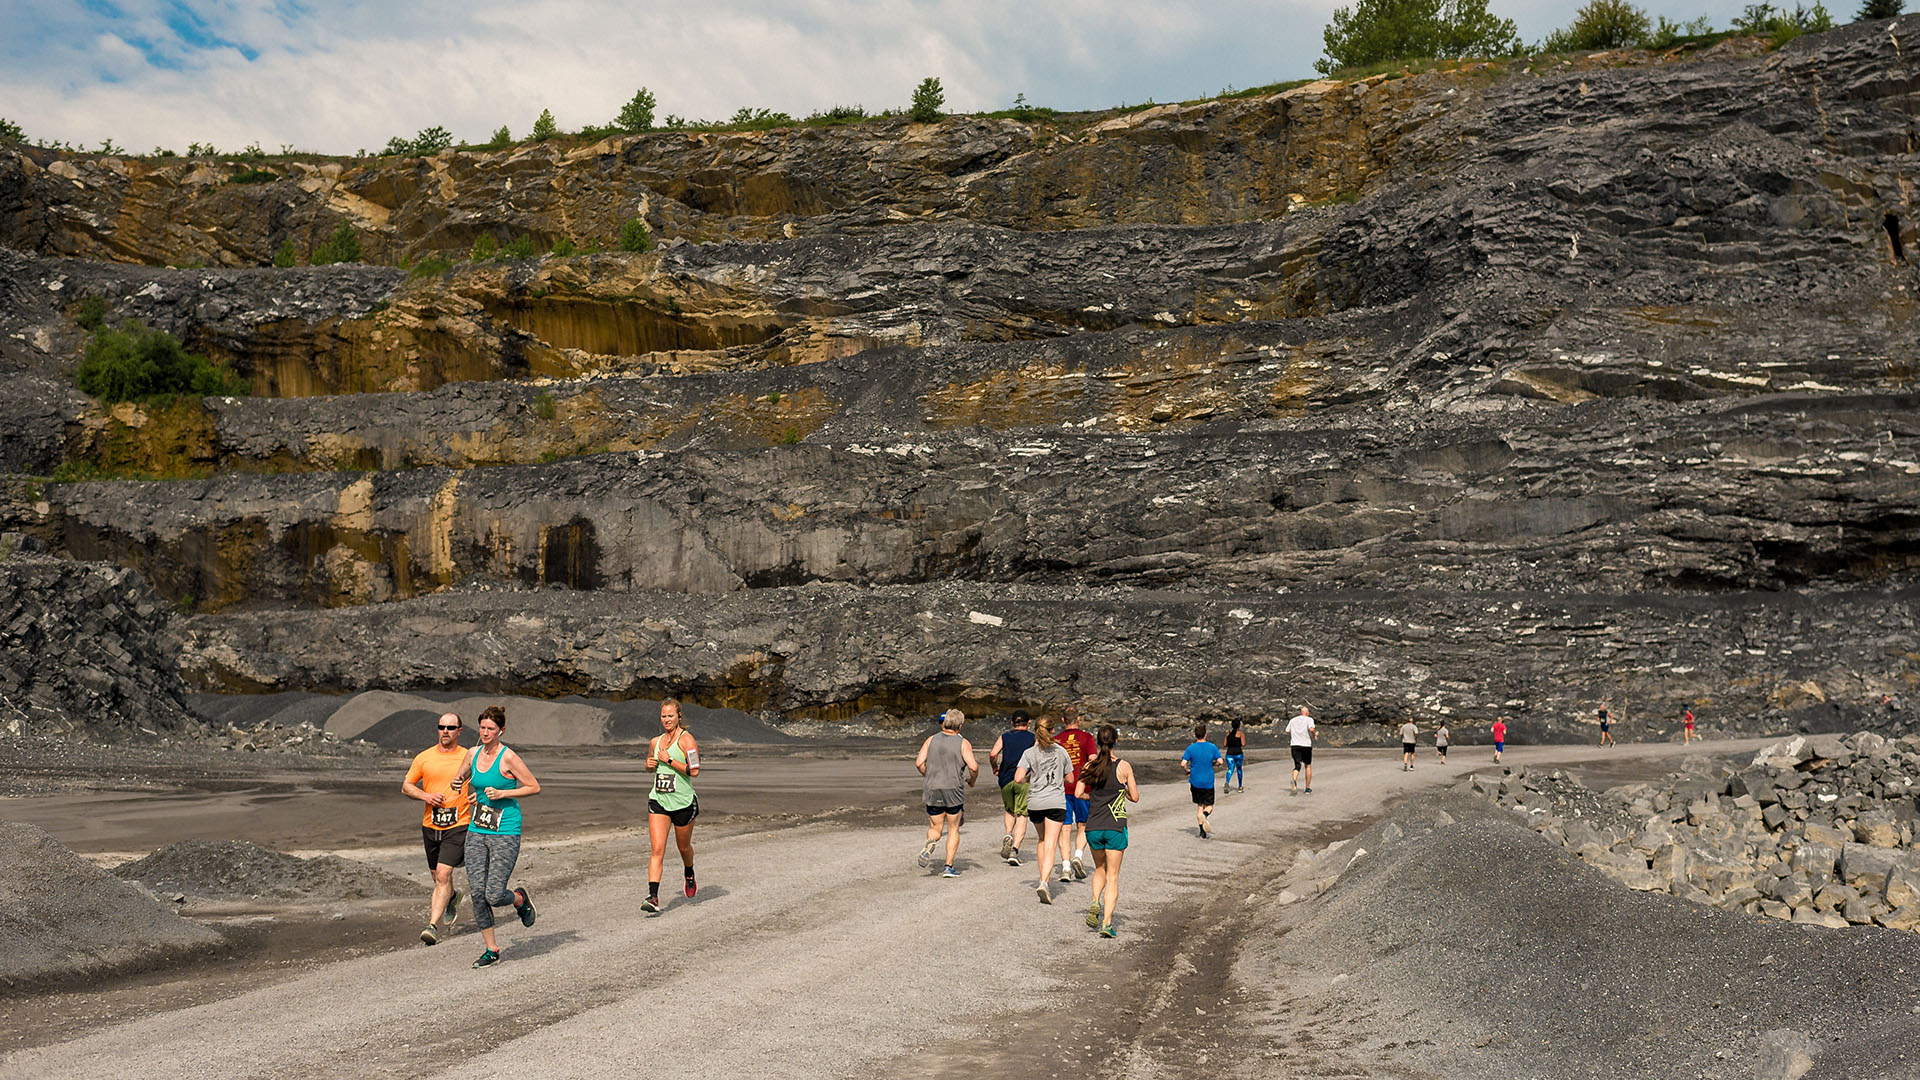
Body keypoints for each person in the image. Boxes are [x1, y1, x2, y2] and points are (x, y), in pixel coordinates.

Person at [462, 705, 540, 968]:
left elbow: (534, 787)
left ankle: (519, 899)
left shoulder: (509, 758)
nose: (485, 733)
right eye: (482, 728)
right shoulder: (472, 753)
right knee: (477, 893)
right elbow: (463, 777)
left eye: (491, 729)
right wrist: (459, 784)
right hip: (477, 829)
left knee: (494, 895)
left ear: (501, 730)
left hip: (505, 830)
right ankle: (491, 949)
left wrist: (503, 793)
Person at [402, 711, 471, 946]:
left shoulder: (468, 757)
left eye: (451, 728)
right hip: (431, 825)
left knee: (443, 874)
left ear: (459, 731)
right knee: (437, 877)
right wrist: (426, 796)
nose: (445, 731)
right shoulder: (424, 757)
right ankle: (452, 897)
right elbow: (406, 786)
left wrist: (480, 797)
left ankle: (431, 926)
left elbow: (486, 779)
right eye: (442, 727)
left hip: (459, 824)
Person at [1076, 725, 1137, 939]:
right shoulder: (1123, 766)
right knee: (1113, 876)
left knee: (1099, 868)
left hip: (1093, 826)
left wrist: (1093, 797)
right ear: (1115, 741)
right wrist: (1123, 790)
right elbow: (1135, 797)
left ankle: (1095, 901)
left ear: (1098, 741)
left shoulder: (1089, 766)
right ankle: (1107, 922)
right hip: (1115, 827)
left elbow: (1078, 793)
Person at [643, 698, 701, 911]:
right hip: (659, 800)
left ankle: (689, 872)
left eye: (670, 716)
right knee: (657, 848)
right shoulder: (655, 742)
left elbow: (695, 770)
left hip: (683, 802)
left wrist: (669, 760)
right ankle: (653, 897)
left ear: (679, 716)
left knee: (683, 847)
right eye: (663, 716)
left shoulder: (687, 740)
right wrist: (649, 765)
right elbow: (650, 765)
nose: (666, 719)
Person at [916, 708, 980, 878]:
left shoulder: (930, 740)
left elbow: (919, 763)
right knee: (953, 828)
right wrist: (972, 780)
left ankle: (930, 844)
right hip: (953, 789)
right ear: (960, 726)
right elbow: (973, 767)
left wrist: (929, 775)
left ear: (944, 723)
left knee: (935, 827)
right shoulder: (963, 743)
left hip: (932, 788)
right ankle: (948, 867)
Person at [1014, 716, 1071, 904]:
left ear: (1035, 731)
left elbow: (1018, 778)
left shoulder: (1029, 753)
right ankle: (1045, 882)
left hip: (1036, 802)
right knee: (1051, 843)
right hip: (1055, 801)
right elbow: (1071, 778)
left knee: (1041, 840)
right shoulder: (1061, 751)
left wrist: (1031, 776)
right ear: (1053, 730)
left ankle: (1042, 878)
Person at [988, 711, 1036, 866]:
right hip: (1023, 779)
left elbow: (993, 753)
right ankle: (1014, 850)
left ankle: (1008, 833)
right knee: (1022, 814)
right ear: (1028, 723)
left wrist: (995, 767)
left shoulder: (1005, 736)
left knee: (1009, 810)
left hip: (1006, 779)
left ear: (1012, 722)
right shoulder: (1032, 738)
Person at [1055, 707, 1097, 883]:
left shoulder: (1056, 739)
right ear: (1078, 719)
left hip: (1061, 788)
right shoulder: (1087, 737)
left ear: (1063, 720)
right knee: (1083, 824)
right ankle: (1078, 855)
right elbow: (1093, 759)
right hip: (1083, 787)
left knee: (1064, 828)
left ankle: (1065, 867)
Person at [1180, 723, 1223, 838]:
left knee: (1200, 805)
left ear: (1195, 735)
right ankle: (1205, 814)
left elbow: (1183, 763)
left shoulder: (1191, 748)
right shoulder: (1212, 747)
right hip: (1208, 781)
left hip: (1195, 781)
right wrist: (1215, 764)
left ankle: (1202, 832)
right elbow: (1220, 761)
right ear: (1205, 735)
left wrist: (1187, 770)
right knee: (1209, 806)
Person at [1286, 706, 1316, 795]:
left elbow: (1287, 731)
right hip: (1306, 745)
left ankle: (1294, 780)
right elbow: (1311, 729)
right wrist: (1314, 735)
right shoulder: (1309, 719)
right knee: (1308, 765)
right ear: (1307, 713)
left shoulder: (1293, 720)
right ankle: (1307, 788)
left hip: (1295, 745)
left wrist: (1295, 734)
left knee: (1297, 765)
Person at [1223, 719, 1246, 793]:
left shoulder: (1228, 734)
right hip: (1238, 753)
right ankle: (1240, 786)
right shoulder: (1241, 734)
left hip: (1229, 754)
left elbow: (1224, 744)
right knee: (1239, 769)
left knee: (1230, 769)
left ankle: (1227, 782)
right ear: (1239, 725)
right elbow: (1243, 744)